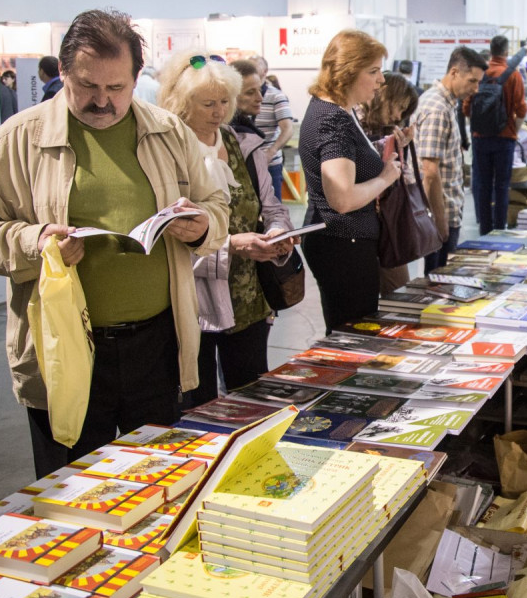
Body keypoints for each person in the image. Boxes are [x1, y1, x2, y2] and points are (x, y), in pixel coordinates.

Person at [0, 9, 229, 477]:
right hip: (67, 352)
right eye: (87, 86)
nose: (102, 101)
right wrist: (33, 241)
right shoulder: (19, 139)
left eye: (116, 88)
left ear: (136, 77)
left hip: (157, 345)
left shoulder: (169, 132)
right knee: (73, 492)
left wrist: (201, 226)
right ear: (62, 72)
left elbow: (216, 203)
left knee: (160, 480)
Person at [158, 51, 293, 405]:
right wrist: (232, 243)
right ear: (182, 102)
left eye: (224, 102)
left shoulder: (242, 144)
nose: (219, 112)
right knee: (196, 405)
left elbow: (272, 205)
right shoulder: (166, 154)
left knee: (251, 398)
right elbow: (172, 232)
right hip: (192, 302)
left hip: (248, 297)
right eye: (208, 104)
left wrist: (278, 233)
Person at [299, 29, 409, 334]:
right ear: (347, 73)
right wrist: (386, 177)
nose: (381, 81)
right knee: (352, 336)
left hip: (344, 242)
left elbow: (350, 163)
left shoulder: (338, 112)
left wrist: (386, 146)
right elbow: (342, 199)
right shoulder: (332, 119)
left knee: (353, 332)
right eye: (372, 71)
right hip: (342, 244)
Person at [416, 46, 487, 274]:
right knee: (436, 284)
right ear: (454, 72)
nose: (475, 89)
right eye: (472, 81)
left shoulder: (447, 104)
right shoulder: (437, 108)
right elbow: (429, 171)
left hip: (447, 210)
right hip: (441, 215)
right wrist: (439, 219)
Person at [357, 71, 419, 294]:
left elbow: (401, 177)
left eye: (404, 110)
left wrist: (401, 148)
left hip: (387, 222)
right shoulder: (354, 122)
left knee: (399, 291)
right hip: (359, 225)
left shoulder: (387, 131)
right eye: (399, 106)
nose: (398, 115)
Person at [463, 35, 527, 235]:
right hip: (505, 138)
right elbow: (522, 109)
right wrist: (513, 130)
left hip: (480, 138)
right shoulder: (513, 75)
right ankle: (500, 228)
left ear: (490, 51)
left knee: (482, 184)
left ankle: (484, 228)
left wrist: (477, 125)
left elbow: (466, 107)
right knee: (501, 185)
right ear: (507, 52)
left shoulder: (480, 74)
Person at [250, 56, 296, 201]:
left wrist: (271, 151)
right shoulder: (240, 95)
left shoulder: (276, 96)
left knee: (273, 208)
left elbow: (288, 129)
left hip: (269, 164)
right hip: (246, 164)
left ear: (264, 72)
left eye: (254, 70)